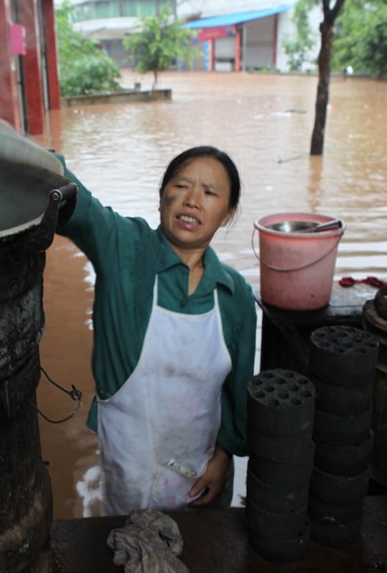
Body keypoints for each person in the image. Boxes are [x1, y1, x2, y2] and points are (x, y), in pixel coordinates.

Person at [54, 146, 256, 516]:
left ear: (227, 214)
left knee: (205, 546)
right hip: (129, 480)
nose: (192, 200)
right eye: (181, 186)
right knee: (131, 543)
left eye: (210, 193)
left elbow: (238, 390)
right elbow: (71, 197)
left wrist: (224, 457)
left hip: (203, 480)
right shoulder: (124, 249)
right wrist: (8, 148)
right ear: (162, 195)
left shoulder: (234, 295)